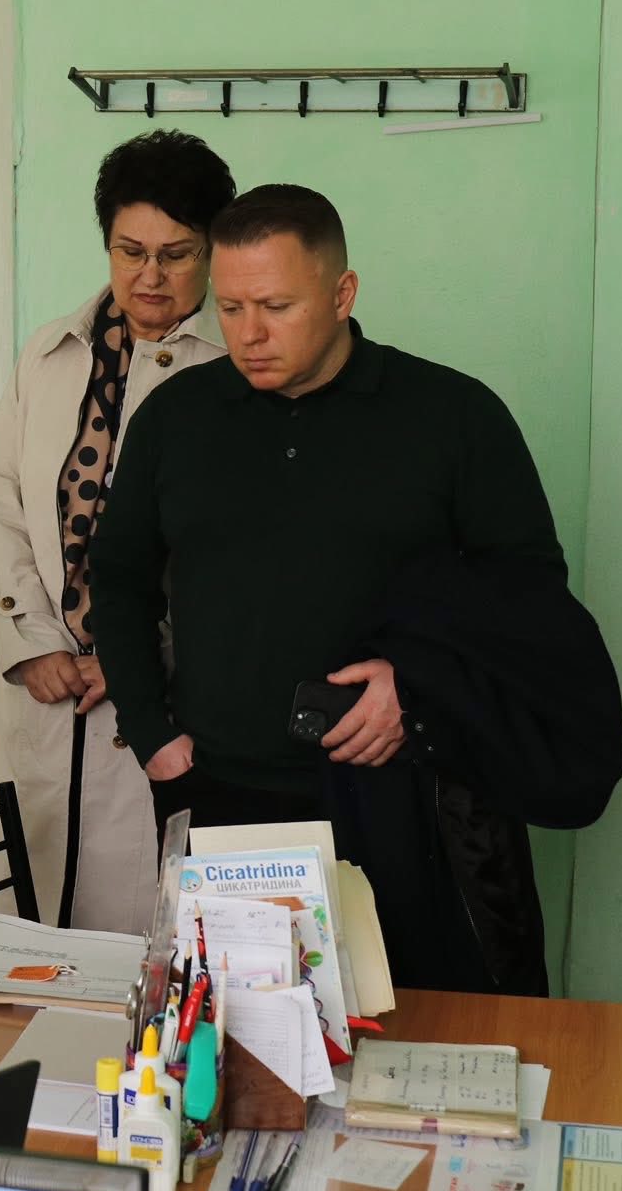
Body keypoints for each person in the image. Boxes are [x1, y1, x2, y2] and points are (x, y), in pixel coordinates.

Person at [87, 185, 582, 994]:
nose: (249, 334)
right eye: (231, 307)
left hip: (406, 795)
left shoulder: (453, 416)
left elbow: (528, 591)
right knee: (241, 1035)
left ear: (343, 294)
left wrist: (412, 683)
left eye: (277, 306)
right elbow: (118, 578)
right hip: (221, 794)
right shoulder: (176, 418)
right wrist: (152, 735)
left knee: (422, 1025)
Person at [0, 130, 235, 932]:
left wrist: (132, 656)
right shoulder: (52, 354)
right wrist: (31, 638)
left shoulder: (235, 371)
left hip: (168, 700)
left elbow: (232, 554)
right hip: (47, 691)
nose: (149, 275)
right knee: (34, 934)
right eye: (130, 251)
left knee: (148, 938)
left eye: (176, 254)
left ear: (214, 251)